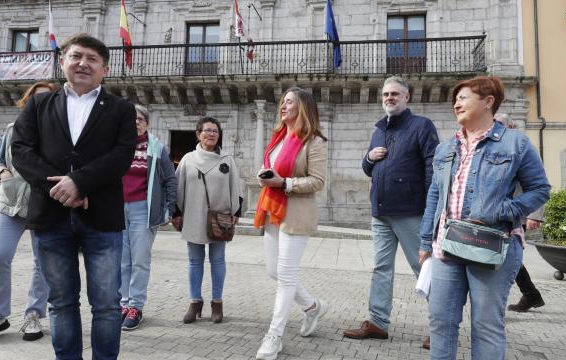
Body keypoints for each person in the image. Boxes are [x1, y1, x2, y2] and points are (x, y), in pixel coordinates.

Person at [11, 33, 137, 360]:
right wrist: (57, 188)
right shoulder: (39, 104)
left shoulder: (122, 109)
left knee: (108, 304)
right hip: (49, 216)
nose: (83, 63)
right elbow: (21, 150)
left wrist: (79, 183)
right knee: (61, 302)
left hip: (103, 217)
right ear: (63, 61)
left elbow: (122, 155)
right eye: (77, 56)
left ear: (105, 69)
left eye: (92, 59)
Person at [418, 76, 550, 359]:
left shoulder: (516, 143)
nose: (456, 104)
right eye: (455, 100)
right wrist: (425, 241)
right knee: (441, 322)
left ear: (488, 102)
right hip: (446, 248)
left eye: (463, 98)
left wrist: (504, 211)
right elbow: (434, 195)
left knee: (486, 325)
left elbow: (540, 189)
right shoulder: (445, 148)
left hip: (493, 246)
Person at [343, 76, 439, 349]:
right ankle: (378, 323)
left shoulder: (422, 126)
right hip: (380, 213)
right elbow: (368, 168)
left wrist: (431, 210)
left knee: (424, 269)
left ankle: (441, 327)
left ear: (407, 97)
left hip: (411, 212)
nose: (389, 98)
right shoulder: (378, 130)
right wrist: (368, 158)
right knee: (380, 268)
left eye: (395, 94)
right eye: (386, 94)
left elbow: (434, 168)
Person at [0, 81, 56, 347]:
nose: (40, 103)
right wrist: (2, 173)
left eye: (47, 99)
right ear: (28, 102)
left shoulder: (59, 135)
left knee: (42, 263)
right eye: (36, 99)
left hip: (43, 205)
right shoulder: (12, 129)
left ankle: (33, 314)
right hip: (10, 203)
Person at [253, 87, 328, 360]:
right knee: (274, 271)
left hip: (296, 213)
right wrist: (266, 176)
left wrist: (283, 182)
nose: (283, 106)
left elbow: (318, 181)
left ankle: (274, 335)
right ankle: (312, 306)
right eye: (282, 102)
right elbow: (274, 170)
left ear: (303, 107)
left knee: (285, 276)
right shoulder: (278, 138)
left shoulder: (314, 141)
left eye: (289, 102)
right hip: (273, 209)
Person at [171, 116, 243, 325]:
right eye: (207, 130)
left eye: (215, 131)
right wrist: (176, 213)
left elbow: (236, 189)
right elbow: (177, 188)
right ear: (198, 133)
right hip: (193, 215)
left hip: (219, 218)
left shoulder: (227, 160)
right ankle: (195, 303)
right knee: (194, 261)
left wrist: (235, 214)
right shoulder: (187, 159)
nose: (211, 134)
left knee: (218, 260)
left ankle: (217, 303)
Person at [120, 104, 177, 330]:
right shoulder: (117, 146)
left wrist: (169, 210)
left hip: (143, 209)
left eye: (140, 119)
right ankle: (122, 304)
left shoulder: (157, 148)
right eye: (131, 118)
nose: (135, 122)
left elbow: (170, 180)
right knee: (122, 261)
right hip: (117, 209)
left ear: (147, 123)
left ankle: (136, 306)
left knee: (140, 261)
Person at [495, 113, 546, 313]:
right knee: (504, 255)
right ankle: (531, 294)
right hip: (499, 214)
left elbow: (538, 185)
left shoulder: (522, 146)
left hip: (517, 213)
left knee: (504, 256)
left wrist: (535, 214)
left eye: (499, 124)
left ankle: (502, 304)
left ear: (510, 126)